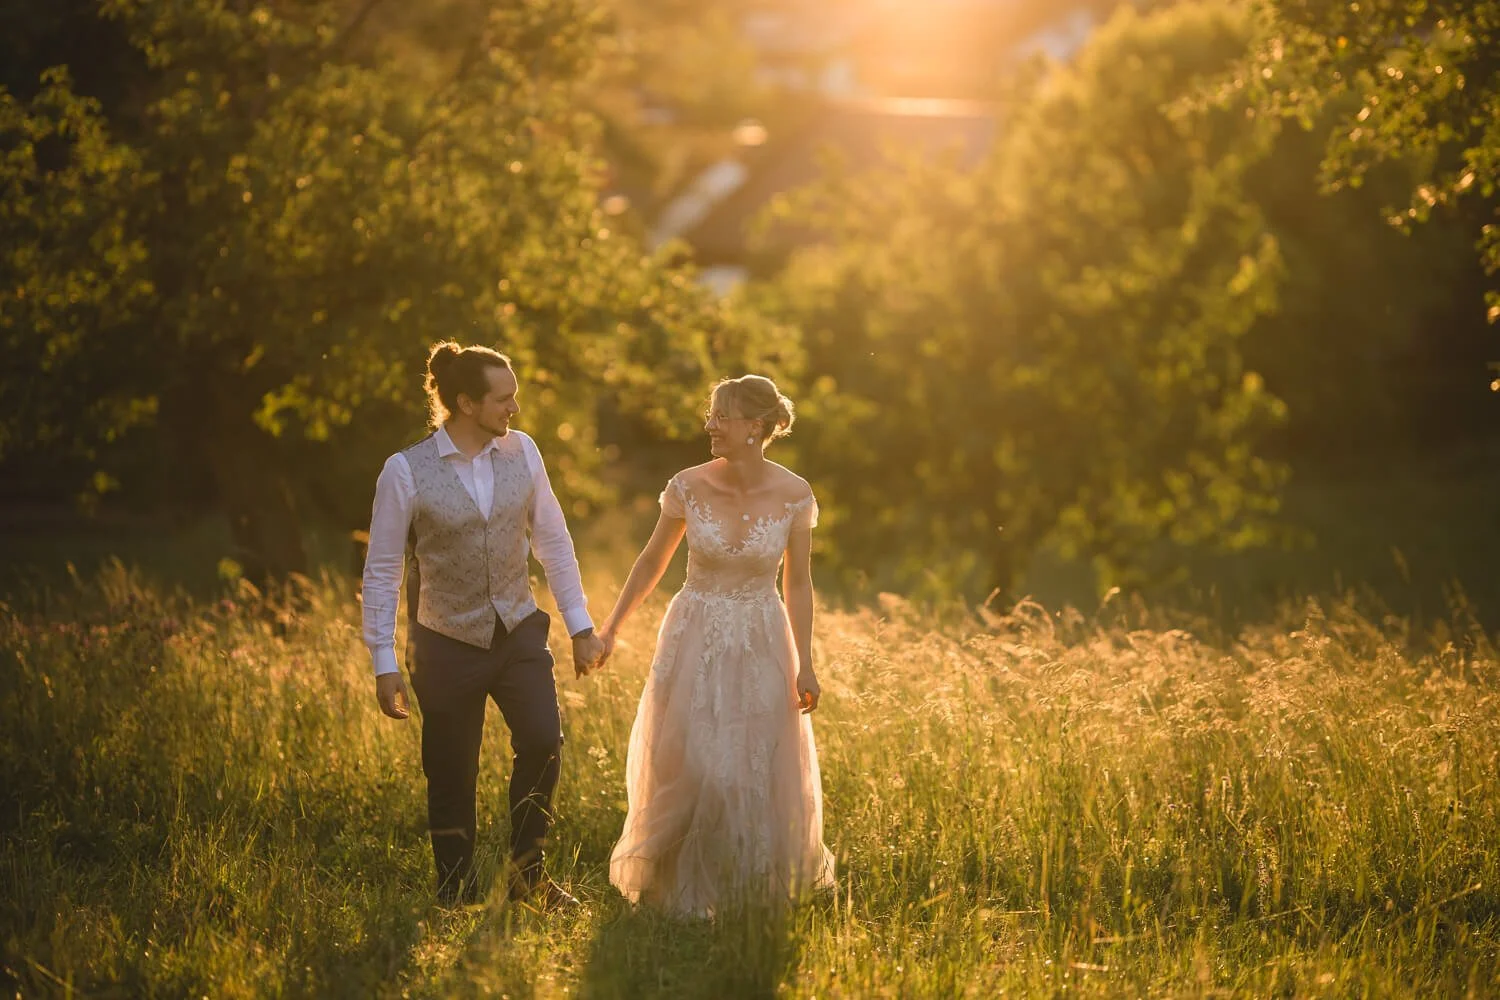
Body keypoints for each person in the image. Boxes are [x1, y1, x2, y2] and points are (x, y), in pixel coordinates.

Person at [361, 341, 605, 909]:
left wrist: (579, 624)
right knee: (451, 767)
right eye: (504, 399)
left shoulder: (523, 452)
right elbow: (381, 572)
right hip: (443, 639)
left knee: (544, 741)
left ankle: (528, 876)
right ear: (466, 403)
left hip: (518, 629)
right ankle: (455, 890)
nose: (514, 408)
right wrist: (384, 661)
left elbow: (553, 540)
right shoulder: (405, 471)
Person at [598, 374, 835, 916]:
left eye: (721, 416)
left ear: (755, 426)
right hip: (693, 634)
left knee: (750, 765)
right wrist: (611, 627)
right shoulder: (687, 485)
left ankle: (748, 888)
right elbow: (652, 561)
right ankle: (674, 884)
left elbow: (798, 583)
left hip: (761, 638)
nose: (709, 425)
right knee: (688, 759)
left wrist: (806, 664)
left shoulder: (795, 495)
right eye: (710, 414)